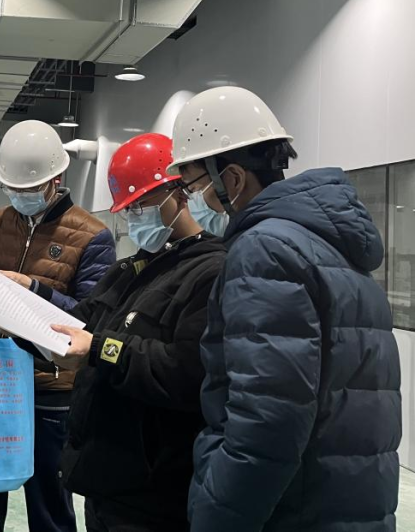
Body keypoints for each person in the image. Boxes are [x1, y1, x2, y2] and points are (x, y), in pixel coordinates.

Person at [166, 86, 400, 532]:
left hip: (295, 511)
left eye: (194, 186)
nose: (193, 200)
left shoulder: (265, 251)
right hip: (348, 500)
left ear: (232, 180)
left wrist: (216, 518)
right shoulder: (330, 245)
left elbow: (267, 422)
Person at [42, 133, 225, 532]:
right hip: (106, 478)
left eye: (140, 205)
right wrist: (27, 307)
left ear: (178, 192)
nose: (134, 217)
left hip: (153, 493)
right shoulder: (133, 268)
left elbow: (185, 371)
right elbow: (84, 318)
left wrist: (100, 349)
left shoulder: (210, 272)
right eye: (128, 210)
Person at [0, 119, 116, 532]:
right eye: (11, 188)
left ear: (55, 179)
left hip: (51, 391)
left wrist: (33, 287)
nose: (19, 196)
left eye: (29, 189)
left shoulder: (93, 237)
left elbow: (91, 319)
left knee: (50, 509)